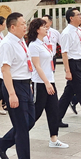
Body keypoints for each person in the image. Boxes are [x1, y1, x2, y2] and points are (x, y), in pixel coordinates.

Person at [0, 12, 41, 159]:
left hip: (25, 84)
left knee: (30, 121)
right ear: (13, 27)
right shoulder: (7, 44)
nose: (25, 26)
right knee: (21, 127)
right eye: (22, 24)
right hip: (14, 86)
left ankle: (2, 143)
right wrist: (12, 94)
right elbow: (5, 70)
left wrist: (30, 84)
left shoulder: (20, 41)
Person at [27, 18, 68, 148]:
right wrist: (46, 83)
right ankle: (16, 135)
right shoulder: (33, 45)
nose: (46, 28)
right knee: (36, 113)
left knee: (53, 111)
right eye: (44, 27)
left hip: (50, 81)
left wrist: (50, 82)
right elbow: (37, 66)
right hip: (40, 83)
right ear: (37, 29)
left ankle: (54, 139)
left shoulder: (43, 43)